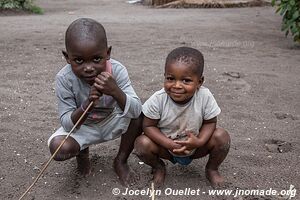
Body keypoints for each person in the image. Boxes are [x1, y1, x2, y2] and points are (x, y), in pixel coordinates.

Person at [48, 18, 142, 186]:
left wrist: (116, 91)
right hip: (83, 126)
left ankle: (121, 161)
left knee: (141, 115)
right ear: (67, 57)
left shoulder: (117, 70)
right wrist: (86, 105)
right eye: (79, 60)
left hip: (112, 120)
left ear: (108, 53)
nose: (89, 67)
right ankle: (83, 155)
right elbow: (67, 123)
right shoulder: (64, 78)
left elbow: (135, 111)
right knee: (59, 148)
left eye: (97, 59)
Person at [134, 47, 230, 187]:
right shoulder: (158, 99)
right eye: (170, 78)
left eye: (186, 80)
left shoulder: (204, 96)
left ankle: (212, 169)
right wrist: (168, 144)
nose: (177, 85)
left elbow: (211, 122)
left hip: (196, 147)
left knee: (222, 136)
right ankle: (158, 167)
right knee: (141, 144)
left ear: (200, 82)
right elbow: (148, 126)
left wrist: (199, 141)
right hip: (165, 147)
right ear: (165, 76)